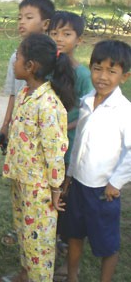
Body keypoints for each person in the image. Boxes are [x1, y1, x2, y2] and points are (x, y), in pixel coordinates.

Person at [0, 33, 75, 282]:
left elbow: (55, 151)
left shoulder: (49, 105)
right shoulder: (25, 94)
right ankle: (26, 274)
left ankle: (39, 277)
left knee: (40, 246)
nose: (14, 62)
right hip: (21, 180)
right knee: (24, 232)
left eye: (17, 57)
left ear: (30, 66)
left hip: (39, 188)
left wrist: (55, 189)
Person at [64, 40, 131, 282]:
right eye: (97, 68)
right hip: (79, 184)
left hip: (103, 190)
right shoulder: (87, 101)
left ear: (124, 76)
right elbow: (79, 143)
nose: (102, 76)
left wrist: (116, 181)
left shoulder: (124, 111)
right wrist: (70, 175)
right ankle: (72, 276)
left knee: (107, 243)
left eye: (111, 71)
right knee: (73, 235)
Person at [0, 0, 55, 247]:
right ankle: (23, 233)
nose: (22, 22)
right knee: (22, 197)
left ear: (45, 23)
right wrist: (5, 125)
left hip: (42, 153)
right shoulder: (16, 55)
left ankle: (48, 238)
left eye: (28, 17)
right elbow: (14, 93)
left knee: (42, 202)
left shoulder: (51, 57)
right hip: (23, 149)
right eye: (20, 17)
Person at [47, 11, 93, 280]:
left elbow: (86, 115)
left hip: (70, 150)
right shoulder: (47, 69)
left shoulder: (84, 74)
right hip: (49, 150)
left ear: (79, 39)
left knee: (69, 205)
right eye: (54, 33)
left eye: (66, 34)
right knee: (50, 203)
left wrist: (62, 128)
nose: (60, 39)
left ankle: (68, 259)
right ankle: (48, 251)